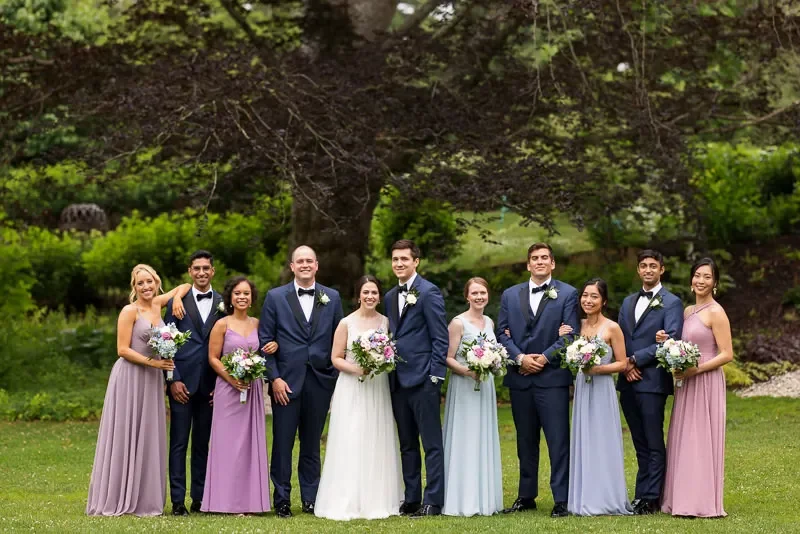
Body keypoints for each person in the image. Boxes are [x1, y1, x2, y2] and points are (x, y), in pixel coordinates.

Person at [86, 264, 190, 516]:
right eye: (140, 283)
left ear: (157, 282)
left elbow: (185, 286)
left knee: (148, 433)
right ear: (134, 288)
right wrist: (153, 363)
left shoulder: (158, 304)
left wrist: (175, 297)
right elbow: (122, 349)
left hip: (152, 381)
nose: (146, 287)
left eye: (150, 282)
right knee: (126, 431)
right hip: (131, 376)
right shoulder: (129, 311)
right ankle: (118, 496)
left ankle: (144, 498)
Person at [258, 245, 343, 518]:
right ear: (292, 266)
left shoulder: (332, 297)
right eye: (300, 261)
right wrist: (275, 378)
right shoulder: (275, 297)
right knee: (282, 443)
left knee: (311, 443)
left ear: (316, 265)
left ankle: (310, 498)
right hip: (286, 382)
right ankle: (282, 499)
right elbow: (264, 342)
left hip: (320, 381)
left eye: (309, 261)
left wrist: (332, 374)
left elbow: (339, 338)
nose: (305, 265)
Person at [497, 242, 579, 518]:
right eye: (535, 258)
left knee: (558, 441)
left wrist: (543, 358)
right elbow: (501, 335)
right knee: (525, 441)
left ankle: (562, 499)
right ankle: (526, 495)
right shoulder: (510, 295)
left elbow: (570, 335)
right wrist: (520, 358)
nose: (540, 262)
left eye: (545, 258)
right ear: (528, 264)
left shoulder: (568, 294)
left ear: (553, 263)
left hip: (552, 379)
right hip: (520, 378)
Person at [315, 275, 403, 520]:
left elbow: (390, 352)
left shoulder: (386, 322)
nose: (370, 296)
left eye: (374, 292)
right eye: (366, 292)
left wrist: (379, 362)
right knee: (351, 437)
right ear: (358, 296)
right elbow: (335, 357)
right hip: (352, 386)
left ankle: (378, 497)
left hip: (378, 386)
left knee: (377, 435)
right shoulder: (346, 323)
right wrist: (357, 369)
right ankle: (348, 498)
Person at [658, 258, 732, 518]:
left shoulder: (716, 312)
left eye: (707, 277)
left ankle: (700, 502)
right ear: (691, 280)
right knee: (684, 436)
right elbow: (683, 344)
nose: (701, 281)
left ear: (715, 282)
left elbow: (727, 354)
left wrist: (697, 370)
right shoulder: (688, 311)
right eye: (697, 276)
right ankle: (680, 497)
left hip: (706, 380)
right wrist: (667, 344)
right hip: (686, 382)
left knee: (701, 438)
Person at [616, 249, 684, 515]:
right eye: (643, 266)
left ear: (661, 270)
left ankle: (652, 497)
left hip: (653, 381)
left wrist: (634, 359)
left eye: (653, 266)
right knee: (639, 441)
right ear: (638, 270)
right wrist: (625, 366)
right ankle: (641, 494)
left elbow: (671, 341)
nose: (648, 270)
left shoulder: (672, 302)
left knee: (654, 440)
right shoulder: (627, 302)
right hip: (628, 380)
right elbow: (619, 338)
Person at [385, 239, 449, 518]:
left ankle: (432, 500)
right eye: (395, 259)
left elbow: (440, 337)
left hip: (424, 379)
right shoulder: (389, 296)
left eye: (404, 259)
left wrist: (435, 376)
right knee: (407, 444)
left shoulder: (429, 292)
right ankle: (411, 498)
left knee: (431, 443)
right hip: (397, 380)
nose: (399, 263)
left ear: (416, 262)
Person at [558, 279, 632, 516]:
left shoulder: (612, 328)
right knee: (583, 438)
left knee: (603, 439)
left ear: (604, 301)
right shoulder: (575, 326)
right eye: (585, 296)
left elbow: (623, 363)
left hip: (602, 389)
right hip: (582, 388)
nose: (588, 300)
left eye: (594, 297)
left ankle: (605, 497)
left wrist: (598, 369)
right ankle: (584, 496)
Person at [201, 277, 274, 514]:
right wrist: (231, 378)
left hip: (251, 391)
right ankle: (223, 502)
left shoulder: (258, 324)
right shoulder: (222, 324)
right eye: (237, 293)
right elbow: (213, 357)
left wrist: (274, 347)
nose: (242, 297)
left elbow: (266, 350)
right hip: (227, 389)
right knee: (227, 444)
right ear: (230, 298)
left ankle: (251, 502)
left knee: (249, 445)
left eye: (246, 293)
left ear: (252, 298)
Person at [164, 250, 224, 515]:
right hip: (182, 385)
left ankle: (199, 498)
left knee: (202, 444)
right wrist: (172, 380)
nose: (201, 273)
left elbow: (228, 345)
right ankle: (177, 500)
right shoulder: (176, 302)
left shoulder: (224, 302)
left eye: (206, 268)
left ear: (212, 271)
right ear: (190, 271)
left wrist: (222, 385)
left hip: (210, 386)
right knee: (178, 443)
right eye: (197, 268)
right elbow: (164, 343)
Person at [441, 277, 503, 517]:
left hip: (484, 386)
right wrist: (467, 371)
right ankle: (461, 498)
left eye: (483, 293)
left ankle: (485, 497)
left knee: (483, 436)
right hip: (464, 385)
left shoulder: (489, 322)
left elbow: (495, 351)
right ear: (467, 296)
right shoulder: (458, 323)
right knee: (465, 436)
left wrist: (494, 364)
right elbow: (448, 357)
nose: (479, 297)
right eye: (474, 293)